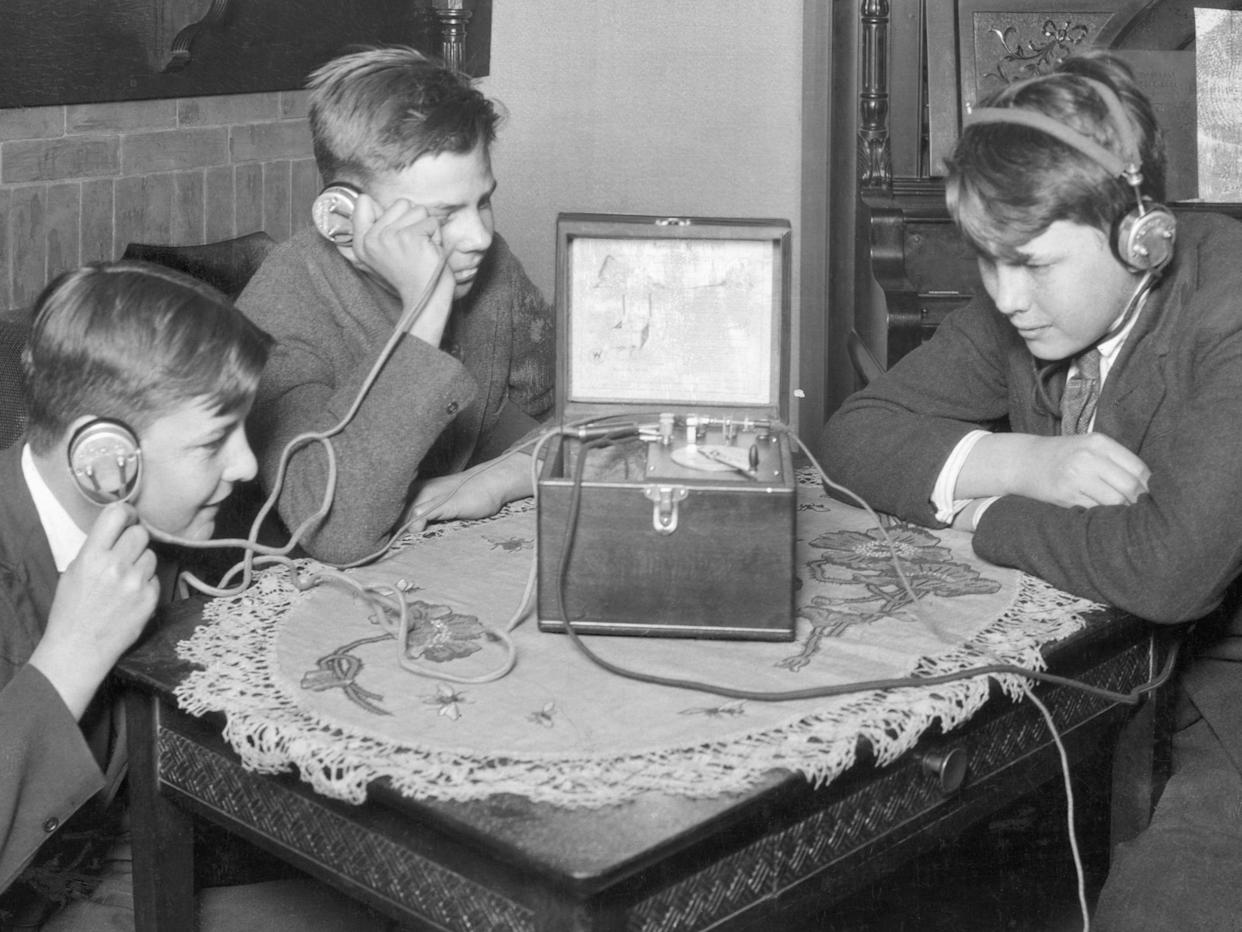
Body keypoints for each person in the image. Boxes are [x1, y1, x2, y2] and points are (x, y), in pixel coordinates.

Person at [822, 50, 1242, 928]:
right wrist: (1029, 466)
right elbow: (854, 435)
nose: (1006, 296)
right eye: (986, 261)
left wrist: (985, 518)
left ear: (1143, 236)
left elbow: (1170, 569)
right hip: (1100, 679)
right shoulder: (1024, 292)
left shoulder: (1232, 308)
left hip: (1223, 706)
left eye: (1035, 265)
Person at [0, 263, 391, 930]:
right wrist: (68, 659)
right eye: (213, 442)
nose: (243, 466)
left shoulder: (141, 527)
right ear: (102, 456)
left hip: (111, 854)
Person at [238, 46, 555, 565]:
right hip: (301, 593)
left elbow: (597, 421)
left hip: (438, 566)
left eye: (483, 201)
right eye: (444, 214)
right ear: (343, 220)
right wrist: (426, 307)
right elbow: (335, 532)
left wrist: (505, 475)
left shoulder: (490, 271)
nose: (478, 236)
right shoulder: (282, 311)